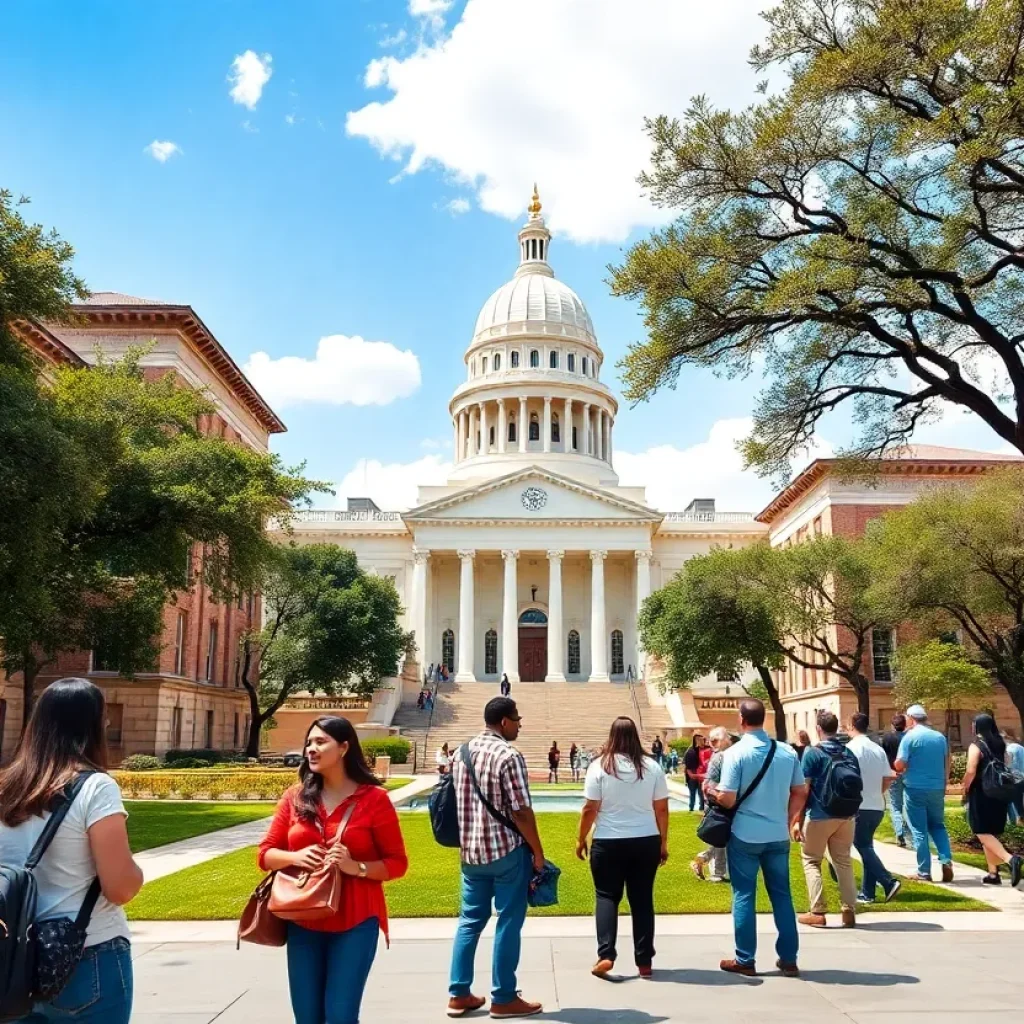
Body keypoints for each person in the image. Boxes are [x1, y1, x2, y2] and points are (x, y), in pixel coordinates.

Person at [0, 678, 143, 1024]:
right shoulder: (96, 787)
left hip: (11, 962)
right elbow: (120, 887)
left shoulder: (7, 788)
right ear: (91, 726)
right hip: (85, 955)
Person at [259, 716, 408, 1024]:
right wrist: (296, 857)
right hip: (303, 917)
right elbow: (265, 855)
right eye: (309, 743)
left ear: (343, 748)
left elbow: (397, 863)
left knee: (340, 1016)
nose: (311, 749)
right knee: (308, 1017)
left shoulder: (374, 800)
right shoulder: (295, 798)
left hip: (356, 919)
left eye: (320, 742)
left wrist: (356, 867)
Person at [447, 697, 546, 1019]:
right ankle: (503, 997)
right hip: (505, 851)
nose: (519, 724)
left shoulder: (459, 753)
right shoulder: (508, 754)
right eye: (516, 719)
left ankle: (459, 992)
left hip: (471, 853)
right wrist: (538, 852)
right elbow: (520, 811)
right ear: (504, 721)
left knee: (469, 923)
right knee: (508, 922)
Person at [708, 699, 806, 978]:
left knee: (743, 895)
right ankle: (789, 958)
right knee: (782, 896)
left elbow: (727, 798)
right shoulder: (786, 751)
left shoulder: (736, 754)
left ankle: (745, 958)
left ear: (741, 719)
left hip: (745, 834)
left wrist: (711, 791)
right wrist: (789, 818)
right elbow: (800, 791)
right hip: (777, 834)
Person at [577, 717, 669, 979]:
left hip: (608, 841)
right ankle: (644, 961)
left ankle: (606, 954)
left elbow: (589, 808)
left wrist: (580, 838)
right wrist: (663, 841)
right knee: (641, 900)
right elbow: (661, 808)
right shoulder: (651, 766)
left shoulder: (599, 767)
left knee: (606, 896)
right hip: (645, 839)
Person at [796, 710, 861, 928]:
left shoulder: (813, 753)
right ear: (837, 728)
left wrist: (796, 818)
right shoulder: (848, 752)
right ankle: (849, 909)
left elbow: (804, 790)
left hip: (820, 814)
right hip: (847, 815)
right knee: (843, 861)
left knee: (811, 859)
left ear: (818, 729)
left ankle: (818, 911)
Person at [961, 714, 1023, 886]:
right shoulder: (1001, 744)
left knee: (981, 831)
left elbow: (971, 770)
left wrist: (964, 786)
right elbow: (1006, 762)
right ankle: (993, 873)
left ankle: (1011, 860)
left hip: (982, 792)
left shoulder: (977, 745)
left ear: (978, 727)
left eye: (973, 724)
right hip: (999, 791)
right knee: (990, 832)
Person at [846, 712, 901, 905]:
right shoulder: (877, 749)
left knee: (862, 846)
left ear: (852, 726)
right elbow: (889, 777)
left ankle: (887, 881)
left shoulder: (850, 749)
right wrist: (878, 792)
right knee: (867, 847)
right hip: (877, 805)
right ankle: (868, 893)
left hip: (859, 804)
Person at [896, 704, 954, 883]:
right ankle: (946, 860)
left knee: (919, 830)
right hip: (937, 788)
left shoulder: (909, 737)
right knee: (938, 825)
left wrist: (899, 767)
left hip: (915, 788)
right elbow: (947, 761)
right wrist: (945, 782)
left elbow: (899, 763)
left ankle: (924, 871)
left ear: (911, 719)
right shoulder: (939, 737)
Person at [691, 726, 732, 882]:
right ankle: (716, 871)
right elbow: (709, 784)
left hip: (718, 799)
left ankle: (705, 861)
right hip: (718, 801)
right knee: (721, 837)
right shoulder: (720, 756)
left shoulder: (721, 755)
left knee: (722, 837)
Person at [881, 713, 911, 847]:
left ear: (893, 725)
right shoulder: (910, 737)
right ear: (905, 725)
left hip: (894, 773)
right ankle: (910, 832)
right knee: (909, 803)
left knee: (895, 805)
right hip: (909, 774)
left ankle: (899, 833)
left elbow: (884, 756)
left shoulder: (887, 738)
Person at [1005, 729, 1024, 825]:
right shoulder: (1021, 748)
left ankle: (1017, 821)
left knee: (1016, 802)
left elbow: (1009, 765)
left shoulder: (1008, 749)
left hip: (1015, 779)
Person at [683, 735, 706, 812]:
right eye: (701, 740)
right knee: (694, 794)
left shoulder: (702, 751)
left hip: (699, 776)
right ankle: (692, 808)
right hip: (693, 776)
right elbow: (687, 766)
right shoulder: (690, 752)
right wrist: (689, 775)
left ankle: (701, 808)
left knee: (701, 794)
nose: (703, 742)